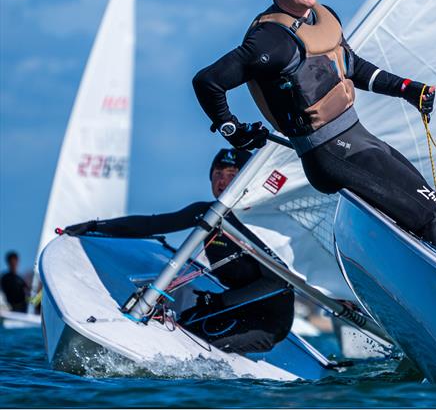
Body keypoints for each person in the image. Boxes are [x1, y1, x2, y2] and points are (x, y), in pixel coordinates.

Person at [192, 0, 436, 290]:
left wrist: (407, 89)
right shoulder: (269, 40)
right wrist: (233, 129)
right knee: (431, 216)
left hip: (358, 137)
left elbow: (353, 67)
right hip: (330, 153)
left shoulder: (323, 18)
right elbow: (208, 81)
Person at [64, 149, 294, 353]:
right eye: (218, 173)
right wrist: (96, 226)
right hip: (231, 309)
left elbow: (277, 283)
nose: (223, 181)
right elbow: (152, 224)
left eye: (232, 174)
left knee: (200, 341)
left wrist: (221, 300)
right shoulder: (208, 213)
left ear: (247, 180)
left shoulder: (259, 225)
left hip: (267, 320)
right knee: (183, 327)